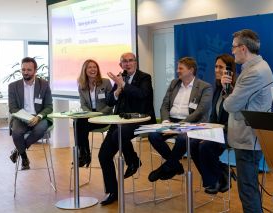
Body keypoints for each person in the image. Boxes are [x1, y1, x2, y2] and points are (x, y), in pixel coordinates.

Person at [221, 29, 273, 213]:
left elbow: (230, 105)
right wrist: (230, 92)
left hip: (248, 139)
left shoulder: (254, 72)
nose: (232, 50)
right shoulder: (257, 68)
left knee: (248, 189)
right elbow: (240, 101)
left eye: (234, 47)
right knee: (249, 187)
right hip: (248, 137)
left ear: (243, 48)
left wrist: (228, 93)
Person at [171, 54, 237, 195]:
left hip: (230, 132)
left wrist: (229, 90)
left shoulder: (235, 89)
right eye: (216, 66)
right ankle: (221, 172)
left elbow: (235, 114)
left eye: (221, 67)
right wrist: (206, 130)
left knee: (205, 146)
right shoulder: (217, 88)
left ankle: (213, 180)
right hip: (216, 130)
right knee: (193, 142)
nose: (217, 70)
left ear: (230, 70)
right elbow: (213, 116)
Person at [98, 52, 156, 205]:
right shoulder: (119, 78)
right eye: (125, 61)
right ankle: (112, 191)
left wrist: (124, 84)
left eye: (131, 61)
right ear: (120, 64)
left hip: (142, 119)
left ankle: (132, 160)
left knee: (118, 134)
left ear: (136, 63)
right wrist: (117, 91)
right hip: (121, 121)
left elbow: (142, 95)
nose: (128, 64)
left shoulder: (144, 77)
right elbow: (110, 102)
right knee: (103, 155)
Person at [148, 57, 213, 182]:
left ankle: (167, 167)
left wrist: (181, 125)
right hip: (171, 122)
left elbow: (200, 111)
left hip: (191, 124)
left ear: (191, 70)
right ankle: (175, 165)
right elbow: (165, 105)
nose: (178, 71)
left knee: (183, 138)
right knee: (153, 136)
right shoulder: (174, 83)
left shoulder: (205, 87)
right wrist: (166, 122)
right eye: (178, 68)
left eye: (181, 68)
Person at [8, 57, 53, 170]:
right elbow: (12, 108)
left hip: (39, 117)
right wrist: (25, 118)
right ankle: (24, 158)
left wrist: (38, 117)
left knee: (39, 130)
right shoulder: (13, 86)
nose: (25, 72)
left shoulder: (44, 85)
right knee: (16, 133)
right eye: (23, 70)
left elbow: (49, 106)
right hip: (20, 117)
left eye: (29, 70)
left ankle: (18, 151)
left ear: (35, 71)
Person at [75, 59, 113, 167]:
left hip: (105, 116)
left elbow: (111, 104)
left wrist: (99, 114)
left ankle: (84, 154)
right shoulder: (81, 85)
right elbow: (83, 104)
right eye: (90, 67)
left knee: (80, 124)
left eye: (95, 67)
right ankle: (84, 153)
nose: (93, 69)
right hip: (90, 117)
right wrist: (91, 115)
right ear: (85, 70)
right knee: (79, 123)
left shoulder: (105, 82)